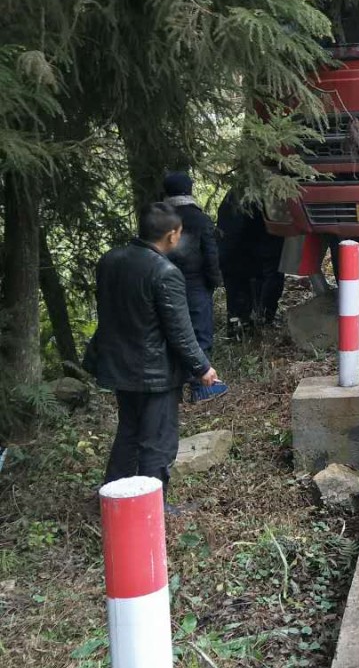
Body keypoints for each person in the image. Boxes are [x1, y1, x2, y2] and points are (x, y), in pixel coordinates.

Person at [87, 203, 223, 509]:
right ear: (173, 235)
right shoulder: (165, 272)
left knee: (129, 435)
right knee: (157, 443)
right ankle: (152, 508)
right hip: (154, 372)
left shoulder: (110, 260)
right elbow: (179, 329)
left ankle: (112, 502)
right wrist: (202, 367)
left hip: (119, 366)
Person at [162, 171, 222, 368]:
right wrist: (214, 281)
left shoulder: (158, 218)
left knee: (171, 328)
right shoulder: (199, 218)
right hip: (195, 282)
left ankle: (176, 377)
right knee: (200, 330)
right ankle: (201, 382)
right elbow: (210, 253)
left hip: (164, 282)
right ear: (189, 190)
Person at [216, 189, 285, 337]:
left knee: (237, 296)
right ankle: (261, 320)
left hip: (234, 254)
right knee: (263, 284)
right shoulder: (263, 197)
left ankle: (239, 328)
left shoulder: (232, 196)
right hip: (253, 255)